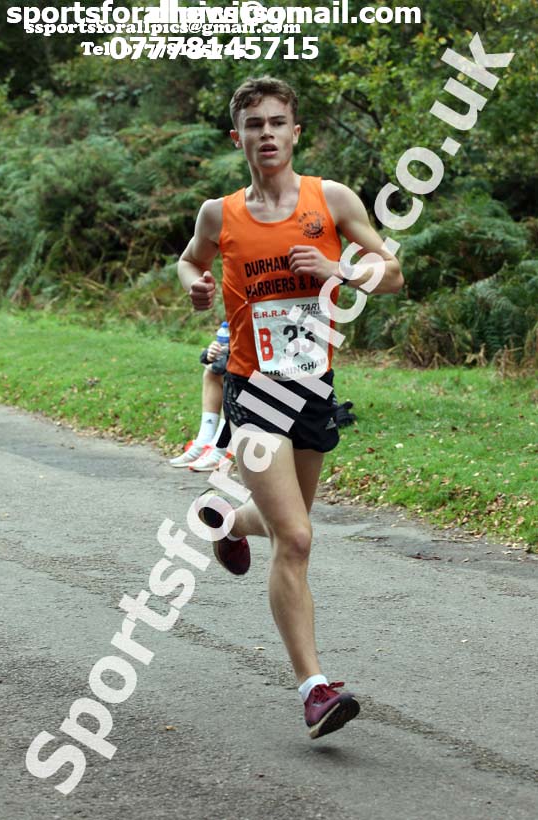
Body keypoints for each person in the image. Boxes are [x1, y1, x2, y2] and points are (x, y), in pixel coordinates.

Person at [177, 76, 404, 739]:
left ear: (295, 132)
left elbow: (391, 272)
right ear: (238, 137)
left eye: (278, 122)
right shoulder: (218, 214)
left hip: (313, 389)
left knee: (287, 523)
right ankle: (313, 688)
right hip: (253, 392)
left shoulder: (329, 200)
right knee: (298, 538)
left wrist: (341, 272)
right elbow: (188, 263)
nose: (267, 133)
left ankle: (225, 521)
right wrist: (195, 287)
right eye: (255, 125)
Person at [169, 337, 231, 471]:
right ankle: (204, 440)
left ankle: (220, 449)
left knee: (233, 379)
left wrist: (222, 356)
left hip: (279, 396)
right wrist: (211, 354)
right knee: (211, 373)